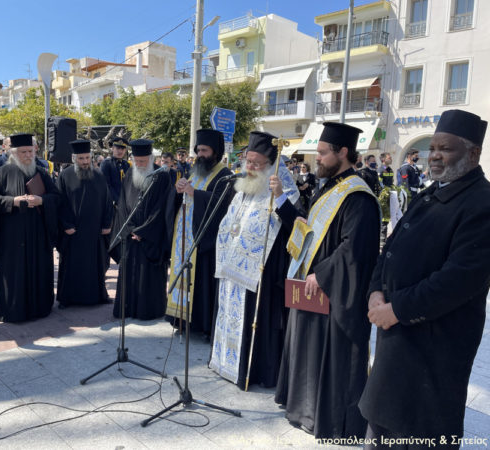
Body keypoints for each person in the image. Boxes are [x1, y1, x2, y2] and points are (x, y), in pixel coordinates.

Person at [359, 110, 490, 449]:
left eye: (445, 148)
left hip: (433, 350)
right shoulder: (431, 193)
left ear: (473, 153)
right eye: (432, 147)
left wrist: (396, 309)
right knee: (382, 428)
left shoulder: (481, 203)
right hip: (395, 344)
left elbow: (458, 280)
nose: (434, 155)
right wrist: (376, 290)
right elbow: (391, 248)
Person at [274, 122, 380, 439]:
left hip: (334, 293)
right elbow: (309, 230)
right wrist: (281, 202)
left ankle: (330, 421)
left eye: (322, 153)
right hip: (312, 288)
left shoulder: (358, 196)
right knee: (307, 351)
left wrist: (321, 274)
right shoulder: (328, 188)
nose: (317, 158)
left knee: (329, 357)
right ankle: (303, 410)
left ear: (342, 152)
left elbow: (354, 247)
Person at [210, 131, 300, 389]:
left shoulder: (286, 191)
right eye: (247, 161)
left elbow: (297, 226)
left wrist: (280, 196)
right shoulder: (242, 189)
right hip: (232, 270)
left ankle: (254, 371)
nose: (249, 167)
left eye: (256, 163)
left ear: (270, 165)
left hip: (262, 274)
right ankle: (224, 363)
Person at [0, 133, 60, 322]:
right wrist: (13, 201)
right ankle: (12, 310)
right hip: (11, 236)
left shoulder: (41, 172)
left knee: (38, 270)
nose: (28, 155)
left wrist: (41, 200)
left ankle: (39, 308)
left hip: (37, 235)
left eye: (31, 151)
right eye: (24, 152)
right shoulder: (3, 172)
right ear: (14, 153)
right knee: (13, 274)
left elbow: (57, 198)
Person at [165, 129, 234, 337]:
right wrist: (179, 190)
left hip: (205, 241)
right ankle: (181, 319)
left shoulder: (225, 175)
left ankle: (201, 324)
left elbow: (223, 206)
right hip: (185, 238)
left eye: (204, 150)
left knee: (201, 283)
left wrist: (195, 193)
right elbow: (182, 199)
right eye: (198, 151)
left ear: (215, 152)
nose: (200, 155)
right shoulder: (195, 172)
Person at [110, 139, 173, 320]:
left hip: (150, 238)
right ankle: (128, 309)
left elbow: (162, 209)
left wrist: (143, 231)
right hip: (130, 235)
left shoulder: (161, 176)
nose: (139, 164)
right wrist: (129, 228)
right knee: (129, 273)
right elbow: (122, 204)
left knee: (149, 277)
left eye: (143, 161)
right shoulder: (130, 173)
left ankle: (149, 311)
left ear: (151, 159)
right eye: (136, 161)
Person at [56, 140, 113, 308]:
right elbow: (59, 202)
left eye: (87, 158)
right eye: (81, 158)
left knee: (96, 265)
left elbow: (107, 201)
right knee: (72, 265)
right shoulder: (65, 176)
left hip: (95, 231)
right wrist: (66, 224)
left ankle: (98, 296)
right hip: (73, 231)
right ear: (74, 158)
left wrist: (107, 224)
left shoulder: (99, 175)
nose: (85, 161)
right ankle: (68, 299)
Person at [100, 137, 130, 204]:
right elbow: (106, 185)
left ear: (125, 150)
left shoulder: (126, 164)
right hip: (111, 203)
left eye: (122, 149)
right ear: (113, 148)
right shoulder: (106, 163)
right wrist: (118, 201)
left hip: (125, 202)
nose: (120, 151)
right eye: (118, 148)